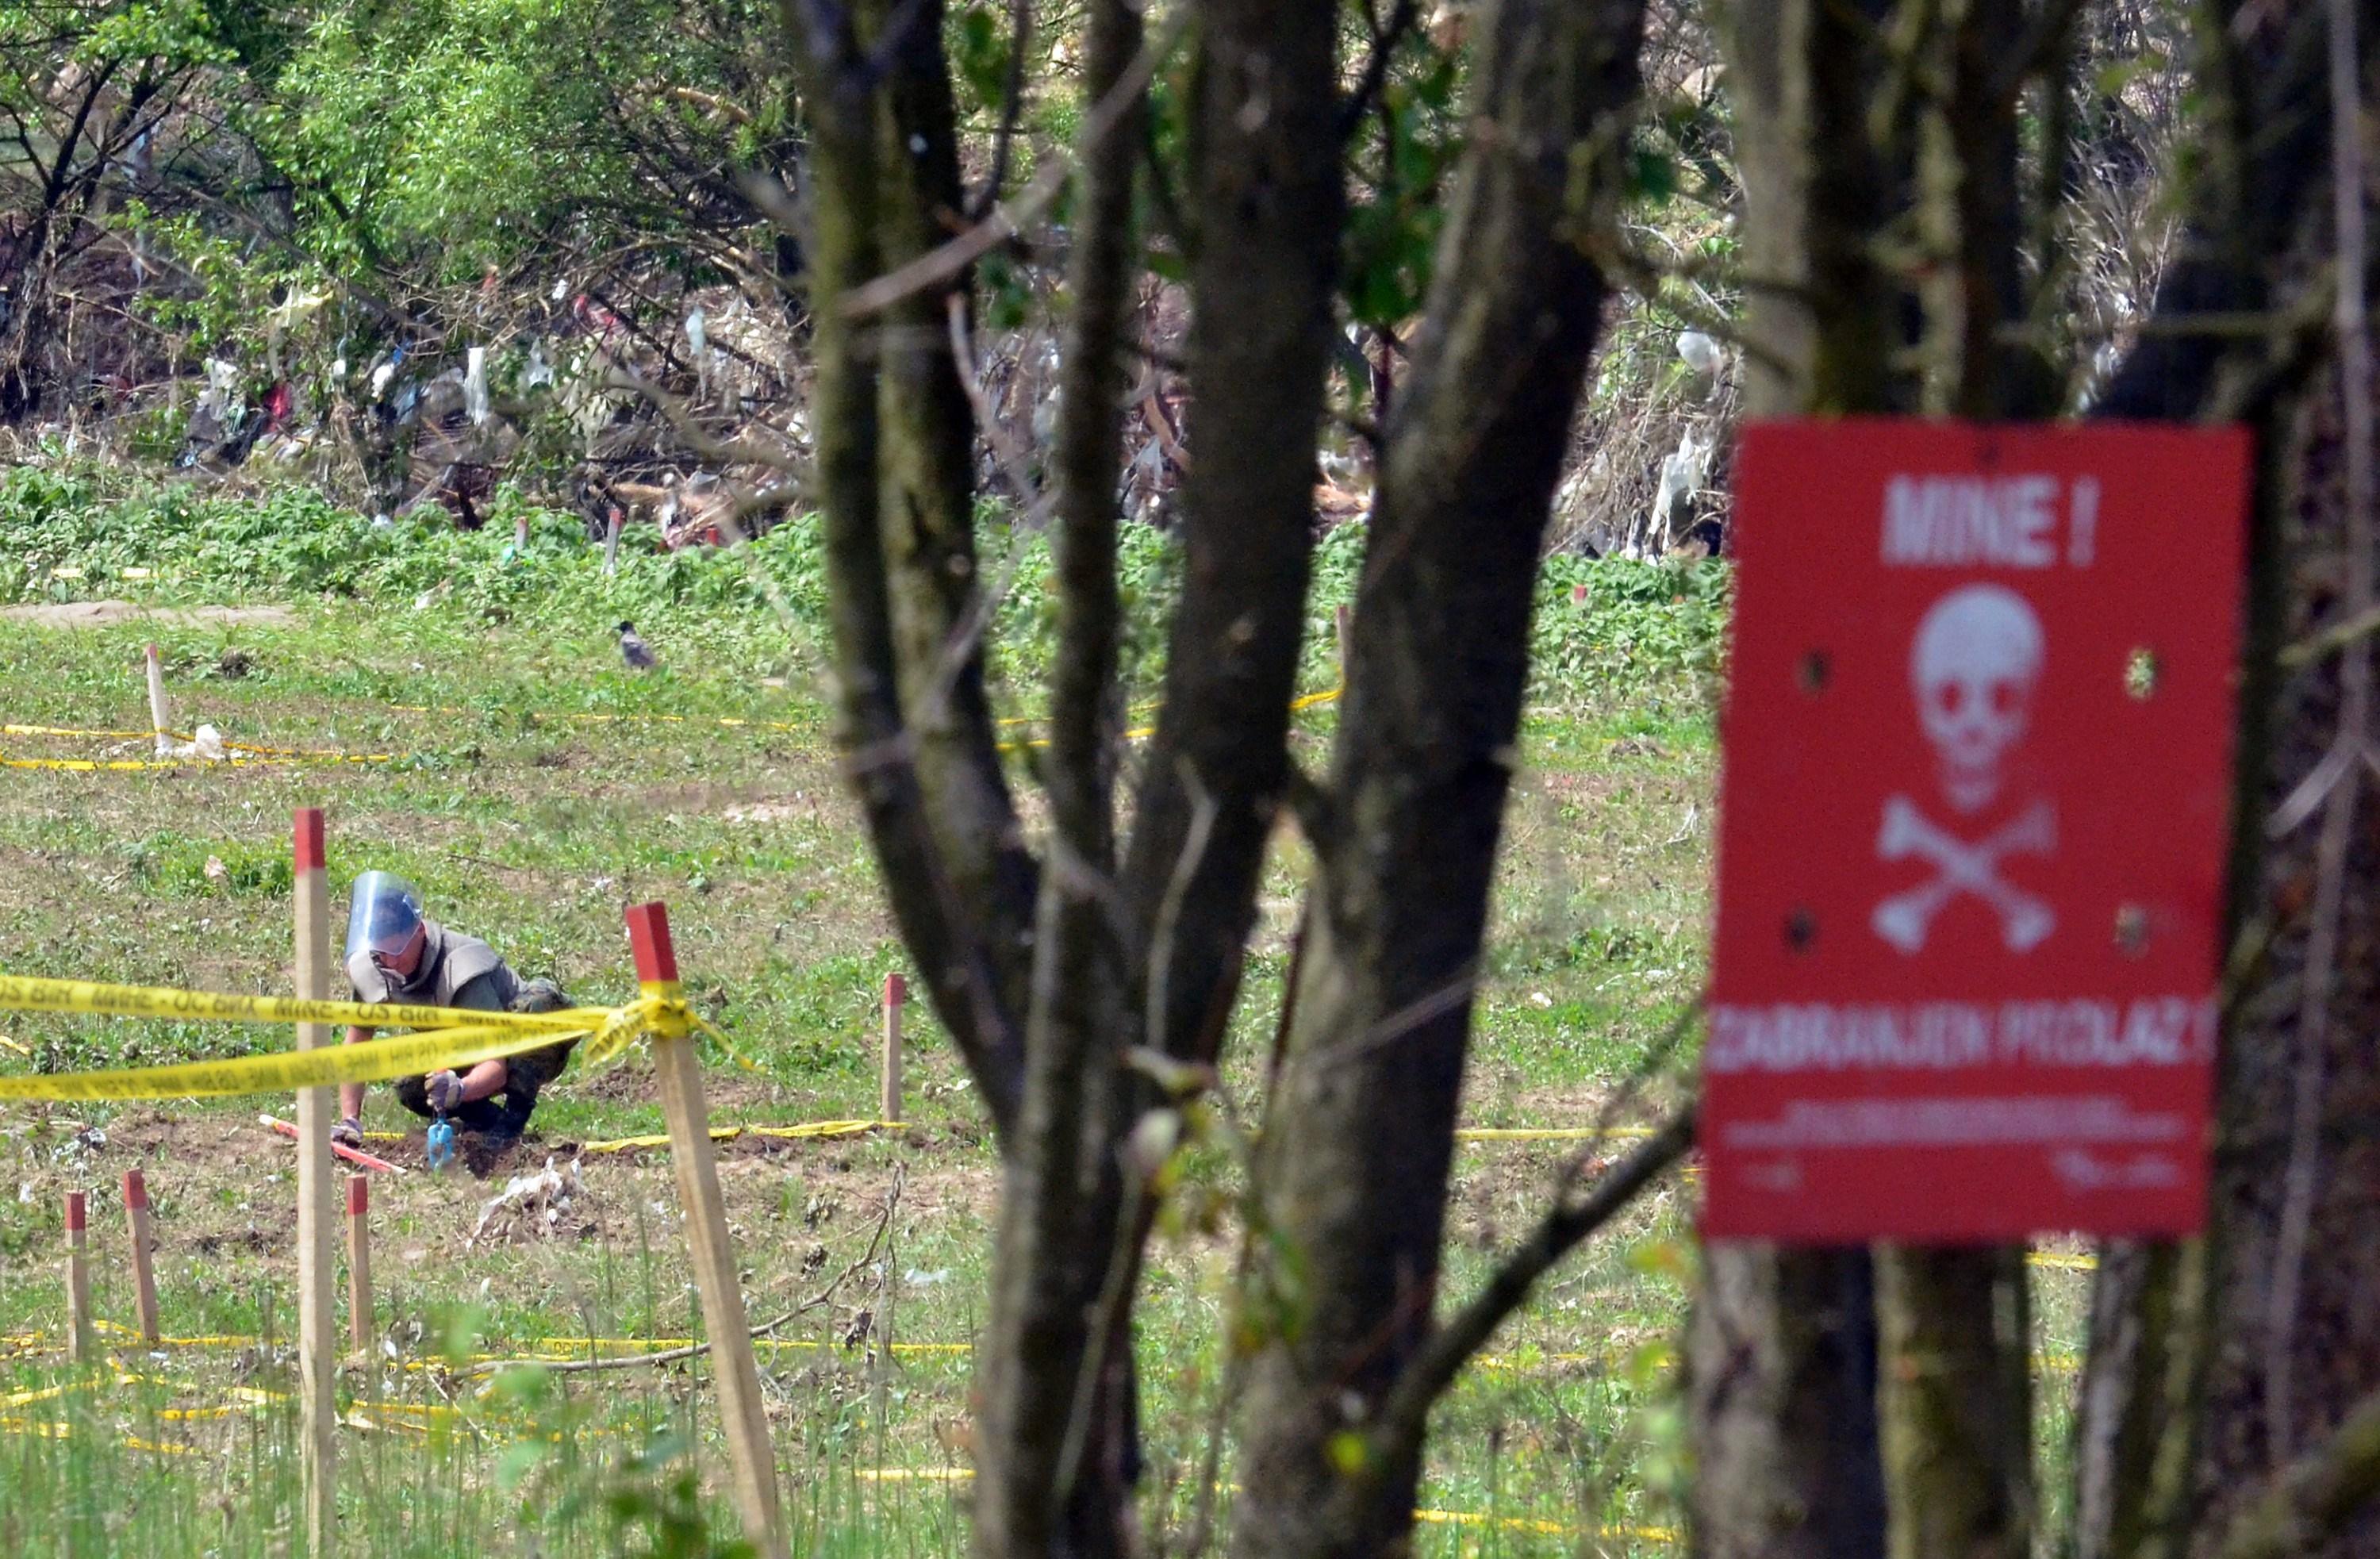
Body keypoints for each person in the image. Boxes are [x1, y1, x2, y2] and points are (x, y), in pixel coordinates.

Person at [333, 871, 574, 1150]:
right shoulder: (375, 967)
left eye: (396, 949)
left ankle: (513, 1120)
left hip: (528, 1046)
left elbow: (496, 1064)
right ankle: (484, 1120)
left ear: (420, 932)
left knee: (538, 1004)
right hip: (465, 1048)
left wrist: (460, 1090)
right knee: (411, 1084)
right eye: (379, 951)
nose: (388, 961)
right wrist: (350, 1120)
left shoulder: (461, 971)